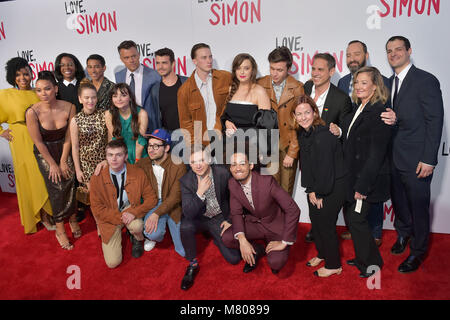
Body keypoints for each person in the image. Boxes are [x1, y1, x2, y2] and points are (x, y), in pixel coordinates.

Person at [383, 36, 444, 273]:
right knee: (399, 203)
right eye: (389, 51)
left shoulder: (426, 80)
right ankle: (403, 235)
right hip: (393, 158)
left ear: (409, 51)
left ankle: (418, 252)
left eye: (398, 49)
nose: (394, 54)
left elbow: (435, 120)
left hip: (418, 159)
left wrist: (429, 158)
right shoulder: (387, 83)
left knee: (418, 207)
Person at [339, 66, 391, 278]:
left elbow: (375, 155)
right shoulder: (359, 108)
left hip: (367, 180)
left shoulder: (379, 111)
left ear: (375, 86)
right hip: (354, 177)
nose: (358, 87)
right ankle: (363, 257)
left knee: (357, 220)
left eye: (364, 83)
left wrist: (362, 186)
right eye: (356, 82)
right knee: (354, 221)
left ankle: (372, 263)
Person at [221, 147, 300, 274]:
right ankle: (257, 249)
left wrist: (284, 242)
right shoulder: (232, 183)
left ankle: (276, 248)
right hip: (255, 224)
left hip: (275, 226)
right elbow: (236, 212)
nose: (238, 168)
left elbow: (293, 209)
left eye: (242, 163)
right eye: (233, 165)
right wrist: (242, 240)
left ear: (251, 165)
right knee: (227, 237)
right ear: (230, 168)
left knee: (275, 262)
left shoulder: (267, 181)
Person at [293, 95, 347, 277]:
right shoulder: (304, 133)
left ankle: (334, 265)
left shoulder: (322, 135)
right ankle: (323, 254)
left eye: (307, 112)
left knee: (325, 225)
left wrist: (320, 193)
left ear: (314, 112)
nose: (303, 117)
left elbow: (326, 169)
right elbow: (307, 165)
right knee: (316, 223)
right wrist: (310, 190)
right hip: (317, 186)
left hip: (333, 185)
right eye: (298, 114)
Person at [25, 71, 80, 250]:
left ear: (55, 89)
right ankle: (60, 229)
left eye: (47, 89)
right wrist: (53, 164)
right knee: (56, 187)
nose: (43, 93)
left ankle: (72, 219)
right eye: (39, 90)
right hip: (45, 153)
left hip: (64, 148)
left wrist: (64, 160)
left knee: (70, 181)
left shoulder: (70, 107)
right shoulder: (32, 112)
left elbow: (69, 137)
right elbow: (38, 142)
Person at [0, 57, 53, 234]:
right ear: (12, 77)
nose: (22, 78)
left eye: (25, 73)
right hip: (21, 139)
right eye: (17, 75)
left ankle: (47, 213)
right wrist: (2, 132)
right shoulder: (5, 95)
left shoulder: (37, 92)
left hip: (41, 136)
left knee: (43, 175)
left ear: (31, 74)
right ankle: (37, 216)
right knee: (28, 178)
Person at [303, 53, 352, 243]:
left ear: (331, 71)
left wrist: (338, 130)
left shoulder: (341, 99)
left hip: (327, 160)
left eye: (320, 69)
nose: (315, 73)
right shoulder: (306, 87)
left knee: (324, 198)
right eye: (313, 68)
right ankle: (316, 228)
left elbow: (346, 129)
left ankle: (325, 232)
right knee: (311, 194)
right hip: (307, 154)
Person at [179, 145, 241, 290]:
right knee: (185, 226)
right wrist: (200, 193)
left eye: (201, 160)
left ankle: (216, 237)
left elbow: (235, 198)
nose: (198, 165)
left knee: (234, 259)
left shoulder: (222, 173)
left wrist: (229, 220)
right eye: (193, 162)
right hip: (198, 218)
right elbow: (188, 213)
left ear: (210, 160)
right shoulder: (186, 181)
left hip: (218, 217)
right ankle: (192, 264)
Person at [90, 139, 157, 268]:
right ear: (106, 157)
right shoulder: (96, 178)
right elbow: (97, 209)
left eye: (118, 155)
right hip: (109, 217)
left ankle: (137, 239)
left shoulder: (137, 173)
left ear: (126, 156)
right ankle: (121, 231)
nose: (114, 159)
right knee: (112, 263)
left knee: (137, 226)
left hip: (129, 209)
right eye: (110, 155)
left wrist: (134, 212)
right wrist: (121, 217)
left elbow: (151, 199)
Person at [257, 46, 304, 195]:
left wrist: (292, 152)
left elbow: (299, 124)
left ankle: (284, 219)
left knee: (285, 193)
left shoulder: (297, 88)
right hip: (267, 146)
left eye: (279, 70)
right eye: (272, 68)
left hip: (287, 146)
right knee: (268, 191)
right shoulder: (260, 84)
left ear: (288, 68)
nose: (274, 74)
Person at [136, 128, 186, 256]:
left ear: (167, 148)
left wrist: (157, 214)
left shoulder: (178, 165)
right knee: (152, 233)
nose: (151, 149)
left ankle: (168, 221)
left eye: (156, 146)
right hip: (154, 202)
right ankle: (154, 235)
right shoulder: (143, 163)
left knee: (183, 250)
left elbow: (176, 196)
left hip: (173, 204)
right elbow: (126, 170)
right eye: (150, 145)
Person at [177, 43, 231, 146]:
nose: (209, 60)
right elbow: (186, 124)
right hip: (203, 143)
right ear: (195, 61)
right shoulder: (184, 91)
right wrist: (194, 147)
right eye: (204, 57)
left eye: (210, 56)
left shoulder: (225, 77)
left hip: (226, 139)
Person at [70, 83, 107, 212]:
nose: (90, 101)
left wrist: (108, 160)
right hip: (86, 166)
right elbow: (75, 147)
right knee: (94, 199)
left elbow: (111, 140)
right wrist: (78, 170)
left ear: (97, 98)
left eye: (93, 97)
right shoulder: (75, 120)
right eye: (86, 98)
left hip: (104, 163)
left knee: (108, 196)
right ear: (80, 99)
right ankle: (99, 225)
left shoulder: (105, 115)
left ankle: (110, 222)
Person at [115, 40, 161, 134]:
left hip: (150, 126)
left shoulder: (154, 75)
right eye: (127, 57)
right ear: (121, 59)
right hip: (127, 127)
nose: (131, 60)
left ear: (139, 55)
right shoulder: (118, 76)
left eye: (133, 56)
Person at [105, 83, 149, 164]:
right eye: (115, 96)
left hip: (138, 156)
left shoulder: (142, 114)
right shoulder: (108, 114)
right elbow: (113, 139)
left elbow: (140, 142)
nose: (119, 99)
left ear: (130, 98)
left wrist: (137, 162)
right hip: (119, 156)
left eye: (123, 95)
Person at [150, 48, 188, 133]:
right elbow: (155, 117)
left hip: (187, 135)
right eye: (158, 63)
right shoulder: (155, 89)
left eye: (164, 63)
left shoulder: (187, 83)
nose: (160, 67)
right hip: (166, 136)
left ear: (173, 63)